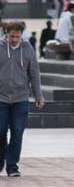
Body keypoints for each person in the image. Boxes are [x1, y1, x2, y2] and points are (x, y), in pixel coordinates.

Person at [0, 21, 45, 176]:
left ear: (21, 34)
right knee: (0, 132)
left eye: (17, 36)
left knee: (17, 132)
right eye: (11, 36)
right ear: (6, 33)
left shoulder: (27, 49)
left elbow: (34, 73)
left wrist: (38, 95)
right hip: (1, 99)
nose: (14, 39)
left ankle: (12, 166)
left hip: (21, 98)